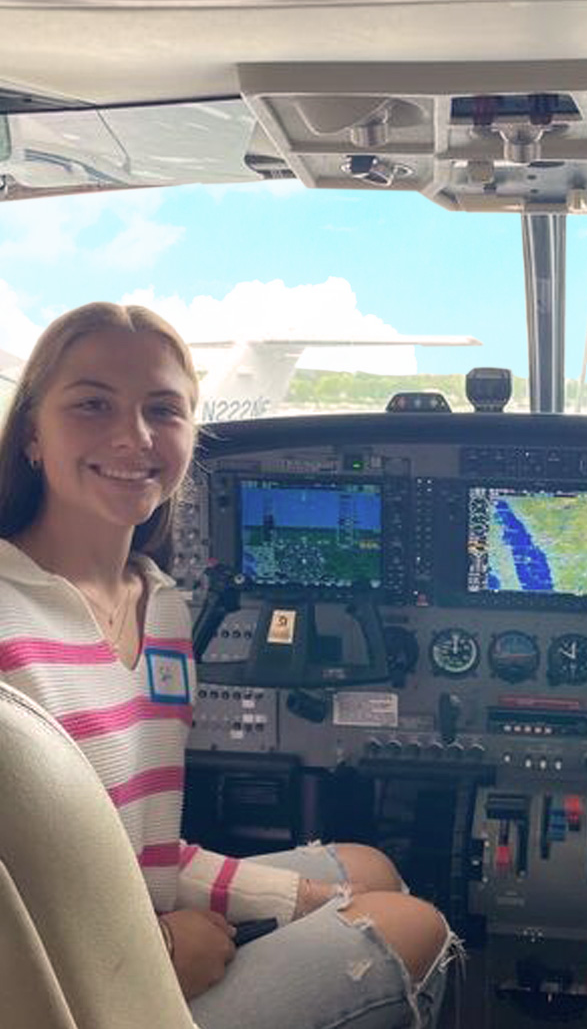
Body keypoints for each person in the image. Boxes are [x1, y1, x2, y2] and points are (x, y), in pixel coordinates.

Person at [0, 301, 456, 1029]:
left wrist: (308, 903)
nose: (134, 436)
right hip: (69, 994)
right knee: (415, 927)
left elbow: (147, 856)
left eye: (163, 409)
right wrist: (154, 952)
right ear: (31, 432)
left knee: (369, 871)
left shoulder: (161, 607)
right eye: (92, 404)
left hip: (128, 922)